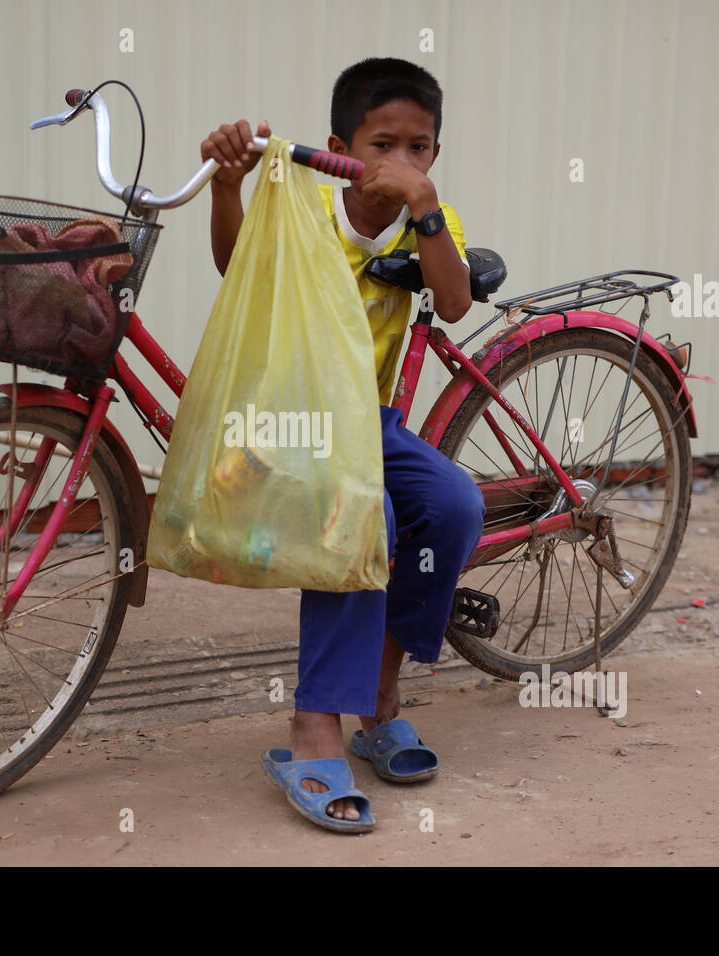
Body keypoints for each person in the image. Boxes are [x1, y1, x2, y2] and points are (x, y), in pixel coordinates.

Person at [201, 57, 485, 832]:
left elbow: (454, 302)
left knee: (455, 506)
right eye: (382, 143)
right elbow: (233, 265)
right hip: (290, 420)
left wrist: (426, 211)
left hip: (371, 426)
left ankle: (380, 698)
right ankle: (315, 726)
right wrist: (228, 182)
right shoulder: (301, 208)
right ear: (338, 147)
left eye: (419, 147)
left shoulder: (434, 217)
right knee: (364, 518)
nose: (401, 161)